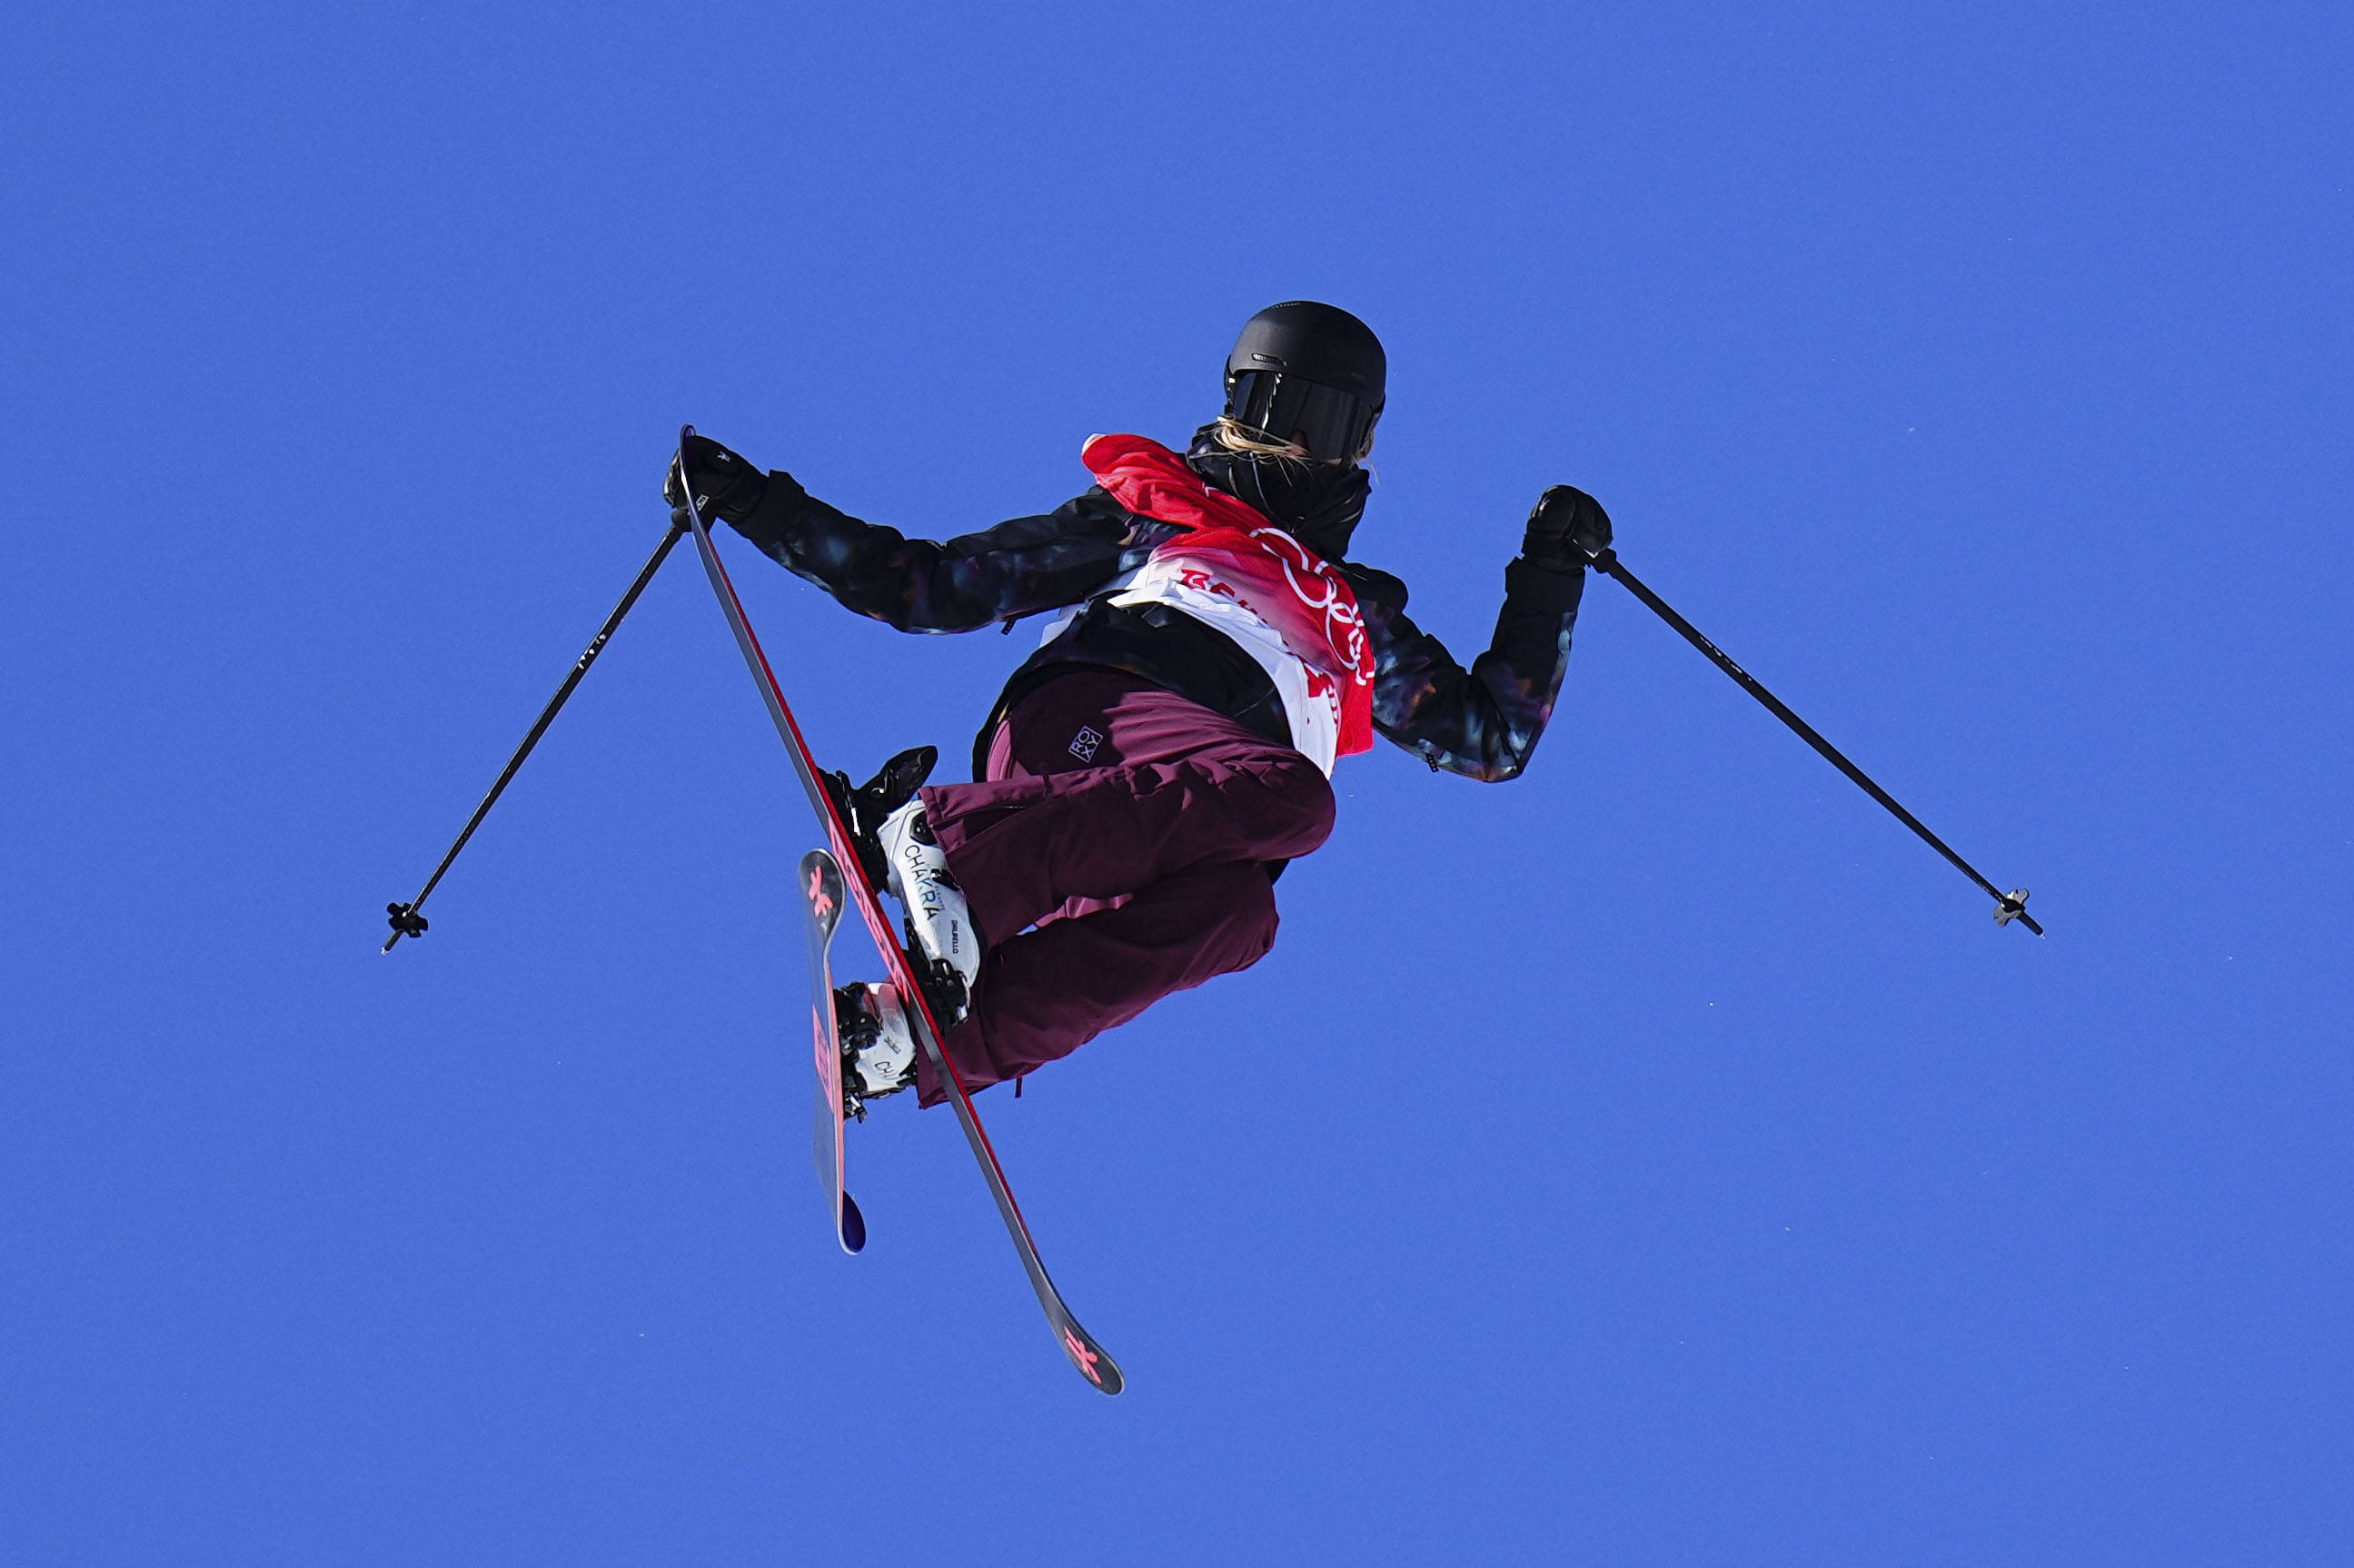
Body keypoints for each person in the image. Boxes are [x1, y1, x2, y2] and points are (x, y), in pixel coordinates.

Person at [666, 302, 1613, 1114]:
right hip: (1092, 714)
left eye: (1318, 423)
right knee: (1293, 799)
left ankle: (913, 1039)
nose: (1288, 441)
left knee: (1242, 913)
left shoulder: (1354, 613)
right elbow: (929, 584)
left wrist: (1550, 572)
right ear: (1229, 404)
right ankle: (942, 844)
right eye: (1265, 408)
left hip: (1139, 820)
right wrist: (751, 502)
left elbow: (1491, 740)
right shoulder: (1164, 506)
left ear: (1357, 444)